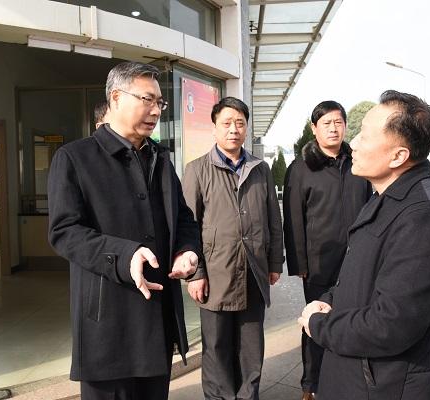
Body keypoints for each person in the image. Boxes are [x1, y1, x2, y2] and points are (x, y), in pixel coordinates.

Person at [48, 61, 201, 400]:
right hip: (107, 327)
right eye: (147, 99)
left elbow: (184, 219)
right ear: (116, 98)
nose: (156, 110)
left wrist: (187, 250)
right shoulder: (74, 158)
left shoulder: (160, 159)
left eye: (160, 102)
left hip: (158, 322)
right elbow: (64, 231)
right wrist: (124, 255)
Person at [297, 90, 430, 400]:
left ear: (398, 156)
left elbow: (391, 324)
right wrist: (329, 300)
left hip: (381, 385)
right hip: (355, 374)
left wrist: (320, 325)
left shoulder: (423, 217)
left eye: (365, 136)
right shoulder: (386, 196)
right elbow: (362, 276)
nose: (354, 143)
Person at [182, 96, 284, 400]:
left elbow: (273, 220)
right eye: (226, 123)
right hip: (216, 274)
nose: (233, 130)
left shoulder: (260, 169)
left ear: (246, 128)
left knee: (251, 348)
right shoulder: (197, 169)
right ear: (214, 128)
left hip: (254, 272)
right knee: (217, 348)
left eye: (240, 123)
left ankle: (248, 396)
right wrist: (196, 274)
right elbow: (188, 226)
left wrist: (275, 263)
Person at [283, 100, 371, 400]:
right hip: (319, 263)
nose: (333, 128)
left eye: (338, 122)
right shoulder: (301, 168)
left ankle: (349, 381)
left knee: (355, 319)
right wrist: (300, 264)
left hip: (357, 259)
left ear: (345, 125)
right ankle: (311, 384)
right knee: (316, 321)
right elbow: (293, 219)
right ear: (314, 128)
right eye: (326, 123)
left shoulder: (358, 162)